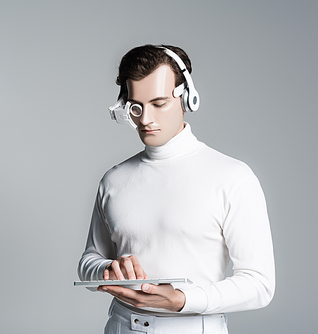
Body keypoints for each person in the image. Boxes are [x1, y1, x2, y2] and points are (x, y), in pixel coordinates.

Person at [77, 44, 275, 334]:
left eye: (158, 104)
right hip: (120, 326)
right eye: (136, 106)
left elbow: (260, 284)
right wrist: (109, 270)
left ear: (188, 98)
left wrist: (183, 300)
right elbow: (88, 261)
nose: (145, 119)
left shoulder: (233, 177)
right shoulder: (113, 180)